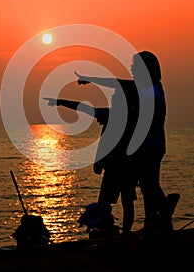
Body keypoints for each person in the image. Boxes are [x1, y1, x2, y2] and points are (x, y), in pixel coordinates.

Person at [74, 50, 179, 240]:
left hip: (151, 146)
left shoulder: (150, 88)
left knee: (149, 186)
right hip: (148, 145)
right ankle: (159, 220)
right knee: (148, 185)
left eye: (135, 65)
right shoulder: (148, 87)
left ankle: (161, 214)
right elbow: (119, 83)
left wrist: (91, 78)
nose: (131, 68)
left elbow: (118, 84)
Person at [43, 81, 139, 247]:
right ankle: (121, 239)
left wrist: (60, 102)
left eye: (116, 97)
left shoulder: (115, 115)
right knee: (125, 202)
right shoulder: (132, 116)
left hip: (117, 166)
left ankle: (112, 239)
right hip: (126, 165)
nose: (113, 99)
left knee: (106, 203)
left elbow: (84, 108)